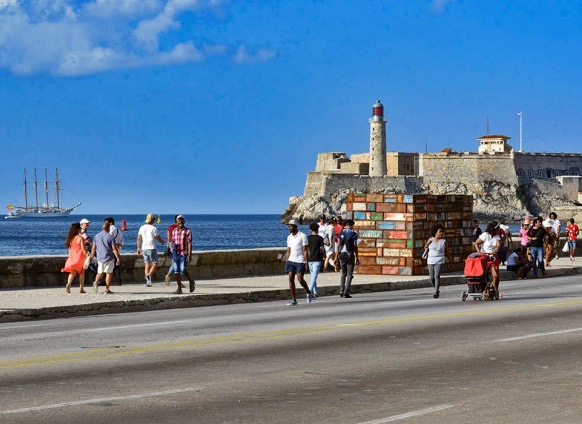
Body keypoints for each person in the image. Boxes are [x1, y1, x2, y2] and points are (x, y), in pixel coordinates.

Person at [284, 219, 313, 305]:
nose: (289, 228)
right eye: (289, 226)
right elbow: (288, 250)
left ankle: (308, 291)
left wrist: (306, 263)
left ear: (296, 226)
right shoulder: (289, 237)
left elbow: (305, 251)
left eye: (291, 226)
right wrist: (286, 261)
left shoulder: (302, 236)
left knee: (300, 280)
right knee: (290, 278)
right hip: (291, 261)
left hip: (300, 261)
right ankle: (294, 300)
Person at [90, 222, 121, 294]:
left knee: (100, 272)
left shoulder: (96, 236)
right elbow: (114, 249)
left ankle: (96, 281)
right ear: (108, 228)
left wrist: (91, 256)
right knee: (108, 273)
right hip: (109, 257)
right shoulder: (110, 237)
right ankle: (107, 289)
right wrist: (118, 257)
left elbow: (93, 248)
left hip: (100, 257)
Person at [137, 213, 165, 287]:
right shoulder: (153, 228)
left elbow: (139, 238)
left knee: (147, 265)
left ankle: (148, 282)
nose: (154, 221)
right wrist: (162, 241)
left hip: (144, 248)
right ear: (152, 220)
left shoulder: (141, 227)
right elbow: (158, 238)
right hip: (151, 248)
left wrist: (138, 248)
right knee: (155, 263)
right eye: (153, 220)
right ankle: (149, 275)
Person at [424, 223, 451, 299]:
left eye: (442, 232)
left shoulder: (444, 241)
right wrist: (427, 244)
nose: (441, 233)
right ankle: (436, 288)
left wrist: (450, 261)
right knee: (431, 277)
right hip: (430, 259)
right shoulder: (430, 239)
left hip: (439, 259)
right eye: (440, 231)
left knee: (437, 276)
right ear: (435, 232)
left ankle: (436, 291)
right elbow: (425, 247)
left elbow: (447, 252)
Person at [61, 222, 90, 294]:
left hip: (72, 257)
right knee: (82, 272)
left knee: (73, 272)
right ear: (77, 229)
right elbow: (83, 249)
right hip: (80, 257)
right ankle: (81, 288)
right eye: (80, 228)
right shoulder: (80, 238)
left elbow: (69, 250)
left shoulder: (70, 239)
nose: (81, 229)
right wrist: (87, 256)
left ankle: (69, 284)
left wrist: (70, 257)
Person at [170, 215, 195, 294]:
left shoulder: (187, 231)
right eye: (179, 220)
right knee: (176, 271)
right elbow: (172, 241)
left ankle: (191, 281)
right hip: (175, 253)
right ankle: (179, 288)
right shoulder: (174, 231)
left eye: (182, 220)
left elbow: (189, 243)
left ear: (184, 221)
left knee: (183, 269)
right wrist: (171, 249)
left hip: (183, 253)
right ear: (176, 222)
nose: (180, 221)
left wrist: (189, 254)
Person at [474, 221, 502, 296]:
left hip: (493, 257)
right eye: (498, 228)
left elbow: (499, 244)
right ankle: (487, 291)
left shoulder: (497, 236)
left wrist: (496, 249)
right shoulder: (485, 235)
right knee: (486, 275)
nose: (499, 229)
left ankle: (496, 290)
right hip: (485, 257)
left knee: (496, 275)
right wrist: (479, 252)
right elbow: (476, 243)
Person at [337, 219, 359, 298]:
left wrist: (337, 256)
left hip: (341, 256)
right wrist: (357, 257)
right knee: (349, 275)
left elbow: (339, 245)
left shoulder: (341, 233)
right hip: (349, 256)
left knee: (343, 274)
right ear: (352, 225)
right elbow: (355, 246)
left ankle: (341, 290)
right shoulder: (354, 234)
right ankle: (346, 292)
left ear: (345, 225)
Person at [164, 215, 184, 289]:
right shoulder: (179, 227)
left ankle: (177, 281)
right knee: (177, 264)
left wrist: (168, 247)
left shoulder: (170, 227)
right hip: (177, 247)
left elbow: (168, 238)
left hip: (172, 246)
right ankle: (170, 276)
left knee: (175, 263)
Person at [307, 222, 325, 298]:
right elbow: (322, 249)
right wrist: (324, 256)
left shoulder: (307, 238)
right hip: (317, 259)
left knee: (312, 276)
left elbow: (306, 249)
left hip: (310, 259)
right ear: (317, 229)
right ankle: (309, 292)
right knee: (314, 277)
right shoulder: (320, 238)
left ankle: (315, 292)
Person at [105, 217, 124, 286]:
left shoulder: (111, 229)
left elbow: (109, 238)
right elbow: (122, 239)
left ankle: (104, 281)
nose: (105, 224)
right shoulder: (118, 230)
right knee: (116, 266)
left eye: (106, 223)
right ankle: (118, 281)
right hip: (117, 250)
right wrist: (120, 245)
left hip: (111, 250)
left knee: (107, 266)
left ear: (111, 223)